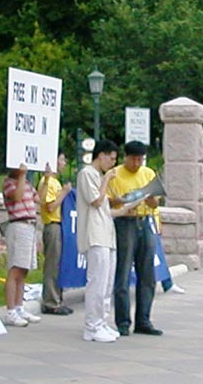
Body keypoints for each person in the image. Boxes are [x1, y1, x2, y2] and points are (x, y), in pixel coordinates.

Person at [108, 140, 163, 336]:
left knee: (147, 274)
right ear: (126, 157)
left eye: (140, 160)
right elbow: (107, 200)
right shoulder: (115, 174)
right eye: (134, 160)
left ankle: (144, 320)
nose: (137, 163)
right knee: (123, 272)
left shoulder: (148, 174)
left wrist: (150, 198)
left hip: (144, 220)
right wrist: (121, 200)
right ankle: (123, 321)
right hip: (125, 222)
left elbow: (155, 204)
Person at [77, 139, 121, 343]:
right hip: (94, 235)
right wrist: (107, 180)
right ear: (101, 155)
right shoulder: (87, 174)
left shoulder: (98, 175)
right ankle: (92, 326)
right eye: (111, 158)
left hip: (106, 234)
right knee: (97, 281)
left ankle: (102, 321)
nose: (112, 163)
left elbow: (105, 207)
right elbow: (95, 200)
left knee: (107, 282)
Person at [2, 163, 42, 327]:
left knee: (24, 270)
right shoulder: (9, 183)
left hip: (30, 225)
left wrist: (46, 180)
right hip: (18, 224)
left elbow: (39, 199)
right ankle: (11, 310)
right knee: (16, 268)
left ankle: (19, 307)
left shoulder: (26, 184)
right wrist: (22, 175)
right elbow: (17, 197)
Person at [37, 153, 74, 315]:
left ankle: (57, 298)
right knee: (52, 264)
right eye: (62, 160)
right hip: (52, 225)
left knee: (59, 264)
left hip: (61, 225)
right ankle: (50, 301)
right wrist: (64, 193)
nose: (64, 163)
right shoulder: (48, 182)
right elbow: (50, 206)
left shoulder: (56, 182)